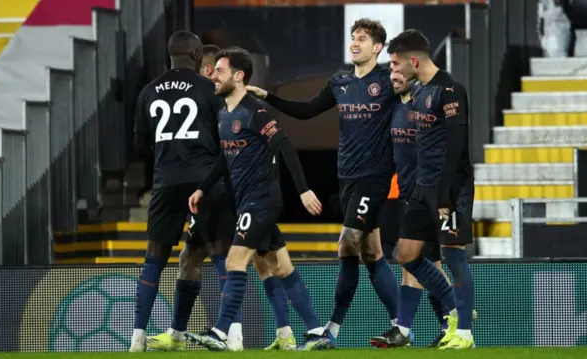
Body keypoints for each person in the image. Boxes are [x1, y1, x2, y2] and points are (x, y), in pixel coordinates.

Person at [246, 18, 399, 345]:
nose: (355, 42)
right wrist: (268, 96)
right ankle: (402, 325)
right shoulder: (339, 83)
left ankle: (330, 329)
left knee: (346, 242)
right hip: (347, 177)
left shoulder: (388, 80)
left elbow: (416, 96)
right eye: (353, 37)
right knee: (371, 252)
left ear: (378, 47)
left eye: (363, 38)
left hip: (375, 177)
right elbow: (305, 111)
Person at [184, 46, 334, 351]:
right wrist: (202, 187)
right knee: (279, 267)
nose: (214, 75)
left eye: (221, 71)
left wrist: (304, 189)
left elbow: (285, 147)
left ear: (239, 76)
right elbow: (226, 158)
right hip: (247, 200)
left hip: (262, 199)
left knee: (235, 260)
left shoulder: (256, 111)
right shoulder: (225, 113)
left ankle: (221, 332)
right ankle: (317, 332)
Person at [130, 31, 243, 352]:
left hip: (165, 183)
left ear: (170, 56)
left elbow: (140, 146)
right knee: (222, 255)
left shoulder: (148, 92)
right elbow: (227, 139)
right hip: (204, 183)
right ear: (197, 56)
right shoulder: (210, 89)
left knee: (154, 259)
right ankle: (232, 333)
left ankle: (138, 338)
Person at [382, 29, 476, 350]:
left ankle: (463, 332)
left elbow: (458, 145)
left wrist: (447, 195)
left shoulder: (451, 90)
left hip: (449, 188)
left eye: (395, 63)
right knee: (406, 254)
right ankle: (453, 308)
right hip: (423, 189)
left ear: (413, 60)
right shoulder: (420, 92)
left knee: (453, 257)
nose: (393, 69)